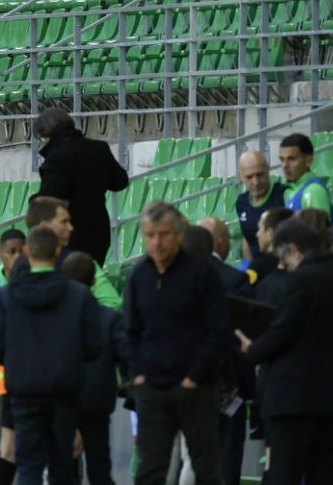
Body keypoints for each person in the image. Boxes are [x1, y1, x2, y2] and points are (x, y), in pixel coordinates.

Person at [241, 217, 333, 485]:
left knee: (284, 473)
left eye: (284, 260)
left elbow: (283, 331)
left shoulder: (300, 280)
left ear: (294, 251)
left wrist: (251, 351)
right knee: (322, 473)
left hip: (293, 396)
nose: (284, 266)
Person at [0, 227, 105, 485]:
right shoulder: (78, 294)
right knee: (62, 463)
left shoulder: (7, 296)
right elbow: (94, 345)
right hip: (64, 391)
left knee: (28, 465)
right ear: (58, 252)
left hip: (23, 392)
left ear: (28, 252)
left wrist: (19, 361)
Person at [124, 201, 229, 485]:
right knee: (150, 470)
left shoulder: (201, 274)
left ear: (179, 235)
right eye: (150, 235)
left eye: (164, 234)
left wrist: (195, 377)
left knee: (205, 468)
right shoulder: (138, 276)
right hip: (152, 389)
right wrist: (138, 376)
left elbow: (218, 330)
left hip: (196, 389)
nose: (157, 242)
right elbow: (130, 331)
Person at [59, 253, 128, 485]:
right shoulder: (109, 319)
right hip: (97, 403)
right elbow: (125, 355)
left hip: (62, 402)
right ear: (94, 281)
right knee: (99, 468)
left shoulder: (54, 317)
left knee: (64, 468)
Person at [30, 109, 128, 262]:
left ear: (47, 134)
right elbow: (120, 182)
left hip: (69, 233)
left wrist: (33, 199)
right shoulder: (99, 148)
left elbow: (49, 200)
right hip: (99, 229)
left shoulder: (56, 159)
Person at [279, 132, 333, 217]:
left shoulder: (314, 191)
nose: (285, 165)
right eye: (282, 160)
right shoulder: (289, 191)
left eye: (291, 159)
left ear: (308, 161)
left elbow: (319, 229)